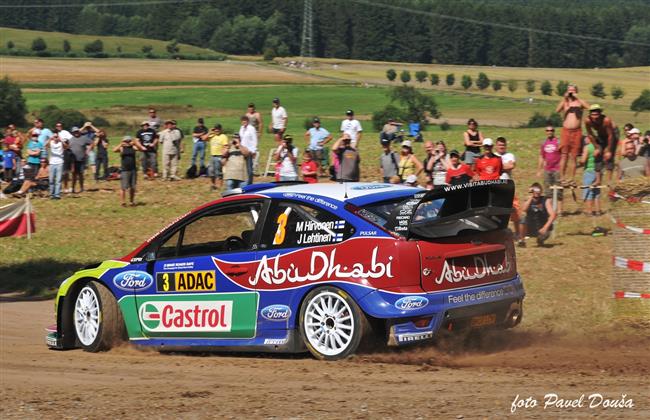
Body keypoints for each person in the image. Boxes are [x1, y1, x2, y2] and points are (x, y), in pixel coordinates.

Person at [555, 84, 589, 186]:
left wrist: (577, 98)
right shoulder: (565, 102)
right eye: (569, 91)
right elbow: (557, 110)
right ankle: (562, 178)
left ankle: (571, 179)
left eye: (573, 91)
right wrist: (565, 99)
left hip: (577, 131)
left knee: (574, 156)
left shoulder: (579, 102)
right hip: (566, 131)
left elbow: (589, 107)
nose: (571, 93)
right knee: (564, 155)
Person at [585, 104, 617, 184]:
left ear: (600, 113)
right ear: (590, 114)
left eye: (596, 114)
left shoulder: (606, 120)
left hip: (613, 134)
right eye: (593, 114)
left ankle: (609, 180)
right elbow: (590, 134)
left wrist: (609, 150)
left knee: (608, 155)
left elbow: (610, 135)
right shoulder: (587, 121)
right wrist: (597, 147)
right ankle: (598, 180)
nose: (595, 117)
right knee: (597, 154)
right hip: (601, 134)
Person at [519, 182, 557, 247]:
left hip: (542, 226)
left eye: (538, 190)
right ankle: (522, 241)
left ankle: (540, 240)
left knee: (542, 237)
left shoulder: (546, 200)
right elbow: (524, 209)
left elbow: (553, 215)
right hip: (531, 226)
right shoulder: (528, 199)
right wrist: (531, 197)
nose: (537, 192)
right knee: (523, 219)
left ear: (541, 191)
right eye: (534, 190)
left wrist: (545, 227)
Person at [537, 126, 563, 215]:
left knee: (559, 190)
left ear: (554, 131)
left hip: (557, 169)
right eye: (547, 130)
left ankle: (559, 211)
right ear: (545, 132)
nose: (549, 132)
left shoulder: (558, 142)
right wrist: (539, 170)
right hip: (547, 169)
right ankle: (550, 210)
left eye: (551, 130)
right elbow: (541, 156)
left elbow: (564, 155)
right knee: (548, 191)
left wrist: (563, 169)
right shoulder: (544, 143)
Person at [114, 135, 146, 207]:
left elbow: (141, 149)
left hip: (133, 169)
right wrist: (121, 144)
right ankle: (123, 202)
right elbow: (114, 150)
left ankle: (131, 201)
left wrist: (135, 142)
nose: (127, 142)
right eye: (126, 141)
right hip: (125, 170)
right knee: (123, 187)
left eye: (128, 141)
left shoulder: (133, 147)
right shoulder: (122, 148)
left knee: (132, 187)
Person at [203, 124, 228, 191]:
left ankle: (219, 186)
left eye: (218, 129)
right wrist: (209, 132)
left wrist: (224, 157)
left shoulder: (223, 136)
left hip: (219, 156)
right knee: (211, 172)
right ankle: (213, 185)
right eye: (215, 129)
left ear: (221, 129)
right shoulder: (212, 135)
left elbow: (225, 146)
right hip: (212, 156)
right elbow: (203, 138)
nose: (217, 130)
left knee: (219, 173)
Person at [580, 136, 601, 215]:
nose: (585, 139)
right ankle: (598, 210)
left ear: (589, 138)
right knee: (597, 191)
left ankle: (589, 211)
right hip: (597, 171)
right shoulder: (597, 147)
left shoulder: (587, 147)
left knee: (588, 191)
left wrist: (580, 161)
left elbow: (583, 160)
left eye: (586, 138)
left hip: (589, 171)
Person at [68, 126, 93, 193]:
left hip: (81, 160)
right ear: (72, 133)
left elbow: (91, 143)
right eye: (74, 132)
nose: (76, 133)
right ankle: (73, 188)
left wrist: (88, 150)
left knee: (81, 174)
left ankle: (82, 188)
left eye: (77, 131)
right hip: (73, 161)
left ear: (79, 131)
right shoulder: (71, 140)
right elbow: (67, 147)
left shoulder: (84, 138)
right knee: (73, 175)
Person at [45, 133, 66, 199]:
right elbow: (45, 146)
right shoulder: (51, 142)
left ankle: (57, 195)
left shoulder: (61, 143)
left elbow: (66, 147)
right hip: (52, 163)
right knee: (51, 180)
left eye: (57, 137)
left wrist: (61, 140)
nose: (55, 138)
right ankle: (51, 194)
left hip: (60, 163)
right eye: (54, 137)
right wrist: (49, 139)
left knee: (58, 180)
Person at [239, 115, 258, 185]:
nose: (244, 122)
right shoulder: (241, 128)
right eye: (243, 121)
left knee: (249, 169)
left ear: (248, 121)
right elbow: (240, 138)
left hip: (249, 150)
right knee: (243, 168)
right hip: (242, 150)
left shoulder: (251, 128)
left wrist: (253, 150)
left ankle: (250, 183)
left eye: (245, 120)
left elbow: (255, 140)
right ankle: (243, 182)